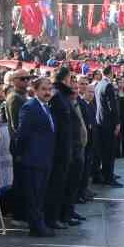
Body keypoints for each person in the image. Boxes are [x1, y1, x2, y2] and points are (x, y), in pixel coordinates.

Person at [15, 76, 58, 236]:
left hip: (45, 158)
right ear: (35, 90)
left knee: (40, 194)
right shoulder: (30, 107)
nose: (47, 92)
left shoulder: (45, 107)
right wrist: (22, 155)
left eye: (49, 89)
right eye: (44, 89)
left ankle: (40, 224)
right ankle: (36, 227)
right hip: (33, 159)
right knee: (34, 195)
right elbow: (22, 135)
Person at [48, 66, 85, 228]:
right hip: (62, 149)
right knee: (58, 185)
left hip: (71, 147)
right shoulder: (56, 96)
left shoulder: (63, 95)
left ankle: (67, 213)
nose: (72, 82)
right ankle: (56, 217)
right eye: (70, 78)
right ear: (64, 79)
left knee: (69, 183)